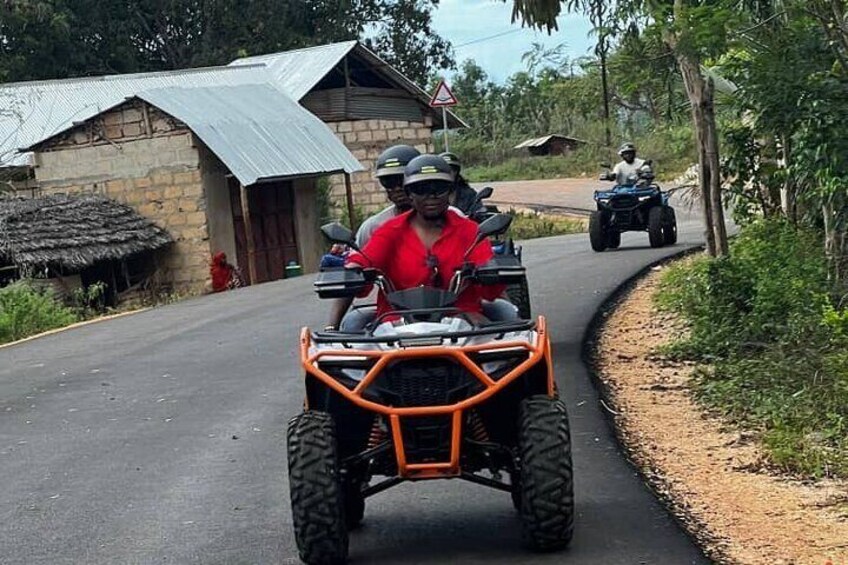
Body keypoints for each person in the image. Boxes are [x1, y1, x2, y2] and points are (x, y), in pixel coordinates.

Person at [342, 154, 507, 325]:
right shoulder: (390, 231)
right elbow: (364, 259)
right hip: (395, 327)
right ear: (409, 194)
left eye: (439, 188)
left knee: (510, 324)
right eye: (421, 189)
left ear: (450, 192)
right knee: (350, 327)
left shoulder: (469, 230)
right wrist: (353, 270)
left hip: (462, 321)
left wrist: (491, 272)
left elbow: (488, 273)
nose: (431, 196)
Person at [354, 144, 420, 248]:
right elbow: (359, 260)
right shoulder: (373, 227)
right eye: (389, 182)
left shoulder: (449, 218)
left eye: (401, 180)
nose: (397, 188)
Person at [440, 151, 485, 218]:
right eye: (444, 170)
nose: (448, 174)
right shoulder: (429, 195)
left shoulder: (468, 194)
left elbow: (479, 213)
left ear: (456, 172)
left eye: (452, 170)